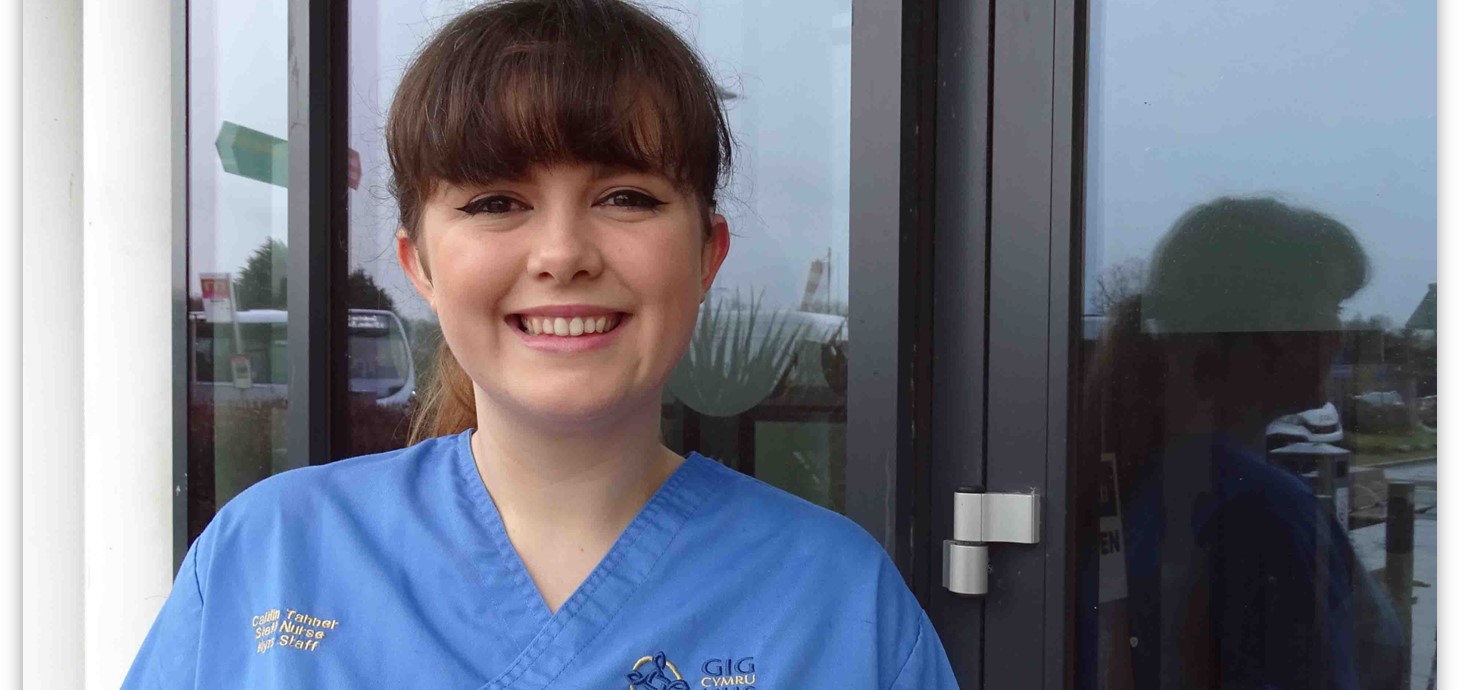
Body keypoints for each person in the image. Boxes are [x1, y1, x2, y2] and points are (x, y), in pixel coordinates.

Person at [122, 1, 958, 688]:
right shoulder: (266, 559)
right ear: (420, 265)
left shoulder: (839, 603)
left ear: (707, 254)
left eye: (627, 196)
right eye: (495, 203)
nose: (563, 254)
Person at [1074, 197, 1404, 689]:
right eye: (1333, 307)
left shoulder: (1147, 477)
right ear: (1276, 322)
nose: (1341, 332)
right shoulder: (1262, 512)